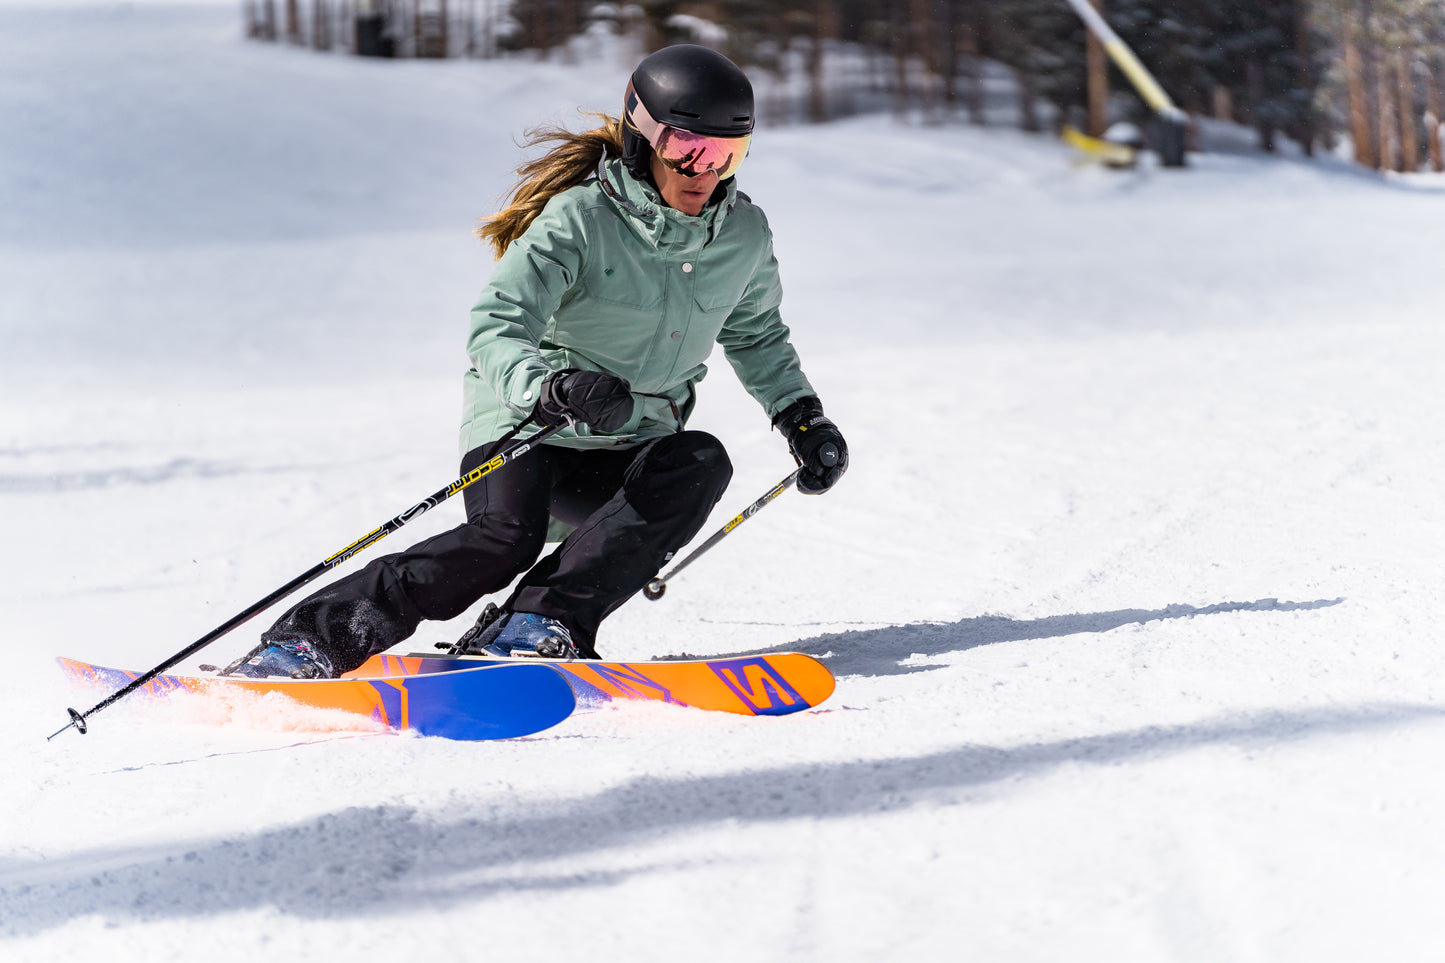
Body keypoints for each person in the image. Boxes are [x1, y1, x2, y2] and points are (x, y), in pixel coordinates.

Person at [229, 43, 848, 679]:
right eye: (686, 148)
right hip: (532, 426)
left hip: (626, 442)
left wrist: (802, 417)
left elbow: (756, 334)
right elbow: (498, 322)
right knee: (502, 541)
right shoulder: (580, 218)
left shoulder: (743, 234)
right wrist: (550, 387)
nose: (704, 170)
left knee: (698, 462)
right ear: (641, 137)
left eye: (727, 153)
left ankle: (538, 621)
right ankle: (307, 641)